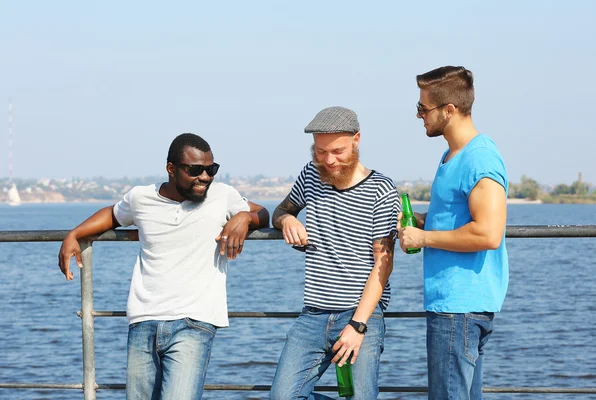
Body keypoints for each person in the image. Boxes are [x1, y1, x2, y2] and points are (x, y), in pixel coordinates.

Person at [58, 133, 269, 400]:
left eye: (211, 169)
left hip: (195, 322)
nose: (204, 176)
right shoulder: (140, 198)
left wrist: (244, 217)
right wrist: (73, 234)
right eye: (195, 170)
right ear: (171, 169)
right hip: (143, 320)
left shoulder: (223, 195)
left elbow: (263, 214)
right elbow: (112, 215)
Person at [269, 106, 400, 399]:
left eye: (337, 151)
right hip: (312, 316)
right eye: (320, 151)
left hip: (359, 315)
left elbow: (384, 263)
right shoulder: (310, 175)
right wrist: (287, 219)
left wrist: (357, 325)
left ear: (357, 140)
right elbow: (281, 210)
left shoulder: (381, 190)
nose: (328, 161)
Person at [397, 66, 509, 400]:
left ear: (449, 110)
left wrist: (425, 238)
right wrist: (419, 222)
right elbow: (454, 218)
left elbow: (488, 233)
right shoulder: (451, 156)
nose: (419, 115)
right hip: (455, 304)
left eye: (423, 108)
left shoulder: (479, 158)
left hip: (459, 308)